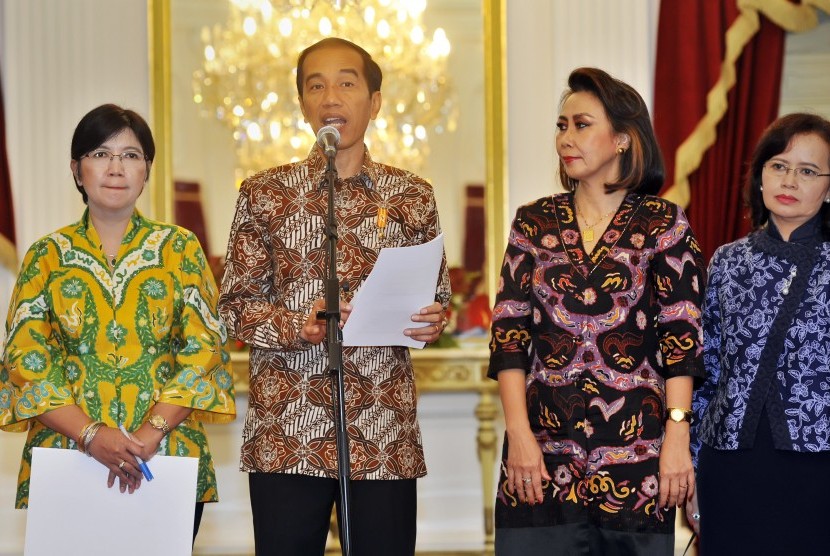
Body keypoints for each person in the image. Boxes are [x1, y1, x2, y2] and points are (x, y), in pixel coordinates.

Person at [217, 37, 450, 556]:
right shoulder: (264, 193)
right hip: (287, 432)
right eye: (315, 86)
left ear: (375, 100)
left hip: (382, 430)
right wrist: (299, 325)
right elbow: (234, 306)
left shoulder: (411, 195)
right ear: (301, 103)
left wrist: (432, 319)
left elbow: (437, 298)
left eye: (347, 83)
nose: (331, 98)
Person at [488, 67, 706, 555]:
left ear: (623, 139)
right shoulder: (533, 221)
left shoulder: (662, 223)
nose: (566, 137)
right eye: (561, 125)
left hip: (635, 459)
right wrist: (519, 436)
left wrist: (677, 438)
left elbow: (682, 341)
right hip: (540, 460)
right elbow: (508, 339)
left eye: (581, 124)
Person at [0, 104, 236, 539]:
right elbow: (25, 359)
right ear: (76, 169)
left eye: (130, 155)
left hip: (165, 456)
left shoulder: (179, 248)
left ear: (147, 169)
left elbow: (206, 351)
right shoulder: (45, 256)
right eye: (100, 153)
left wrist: (150, 434)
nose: (115, 167)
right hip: (66, 456)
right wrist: (90, 435)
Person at [688, 113, 830, 554]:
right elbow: (705, 371)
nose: (790, 179)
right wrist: (691, 466)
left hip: (818, 462)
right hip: (730, 463)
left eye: (808, 171)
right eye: (778, 165)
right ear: (761, 174)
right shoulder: (726, 261)